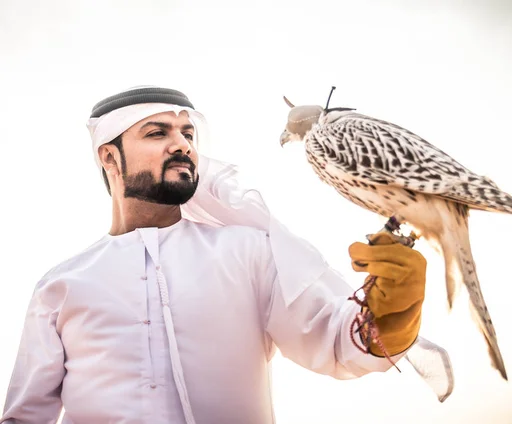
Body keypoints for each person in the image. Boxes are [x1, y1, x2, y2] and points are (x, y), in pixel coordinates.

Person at [0, 86, 432, 424]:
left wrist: (393, 311)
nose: (183, 144)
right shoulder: (61, 285)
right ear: (109, 157)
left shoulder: (247, 253)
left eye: (188, 134)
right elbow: (25, 415)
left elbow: (339, 344)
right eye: (157, 133)